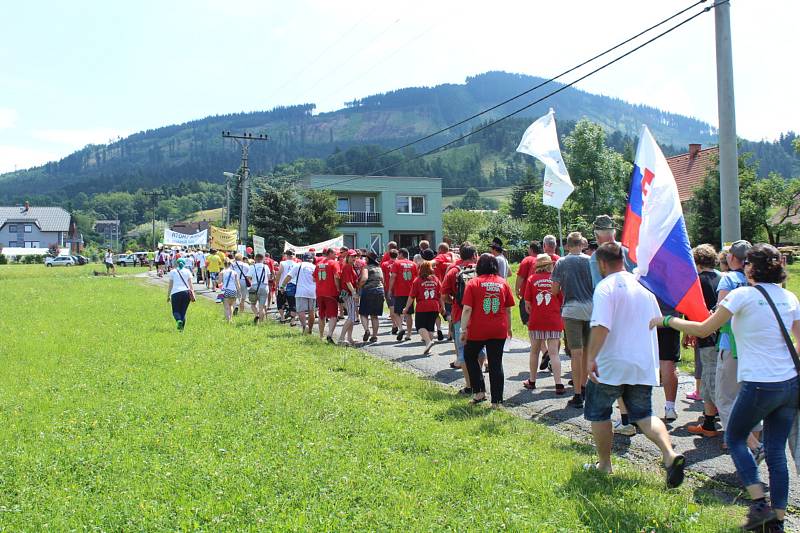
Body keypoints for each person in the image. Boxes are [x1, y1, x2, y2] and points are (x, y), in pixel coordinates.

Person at [650, 244, 798, 531]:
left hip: (760, 383)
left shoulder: (742, 295)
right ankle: (777, 521)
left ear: (750, 268)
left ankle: (758, 502)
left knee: (736, 436)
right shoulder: (789, 297)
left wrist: (666, 319)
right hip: (789, 384)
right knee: (777, 451)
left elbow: (704, 329)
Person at [585, 242, 686, 487]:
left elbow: (601, 326)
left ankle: (605, 465)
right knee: (644, 415)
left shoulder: (605, 288)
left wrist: (590, 358)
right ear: (624, 260)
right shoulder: (645, 290)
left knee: (599, 413)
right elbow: (656, 324)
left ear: (601, 263)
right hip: (640, 362)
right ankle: (669, 454)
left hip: (610, 363)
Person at [459, 253, 515, 407]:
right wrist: (509, 328)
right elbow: (508, 309)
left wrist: (463, 330)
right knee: (496, 363)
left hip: (478, 329)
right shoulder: (503, 283)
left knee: (469, 355)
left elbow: (467, 309)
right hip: (498, 329)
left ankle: (479, 392)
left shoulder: (473, 283)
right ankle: (497, 401)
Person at [551, 232, 593, 408]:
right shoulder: (591, 261)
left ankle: (577, 394)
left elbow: (554, 290)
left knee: (576, 353)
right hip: (591, 309)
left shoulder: (561, 262)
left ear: (567, 246)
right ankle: (584, 387)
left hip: (572, 309)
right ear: (581, 245)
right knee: (587, 353)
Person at [685, 244, 722, 437]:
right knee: (718, 375)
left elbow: (693, 310)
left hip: (706, 334)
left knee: (709, 377)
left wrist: (688, 332)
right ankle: (711, 415)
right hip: (723, 335)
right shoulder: (722, 278)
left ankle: (710, 423)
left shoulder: (697, 282)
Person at [442, 242, 481, 393]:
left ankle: (470, 386)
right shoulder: (480, 270)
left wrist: (455, 302)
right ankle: (479, 380)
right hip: (479, 316)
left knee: (463, 351)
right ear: (474, 255)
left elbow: (444, 295)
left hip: (459, 314)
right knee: (480, 351)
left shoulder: (453, 271)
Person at [523, 254, 564, 394]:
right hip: (553, 319)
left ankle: (532, 381)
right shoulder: (556, 279)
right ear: (550, 265)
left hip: (536, 319)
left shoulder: (531, 279)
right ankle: (558, 384)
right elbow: (561, 299)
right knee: (554, 354)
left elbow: (527, 304)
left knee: (534, 352)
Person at [403, 260, 442, 354]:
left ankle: (428, 342)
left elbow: (411, 296)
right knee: (430, 327)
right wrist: (443, 307)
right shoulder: (435, 279)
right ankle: (428, 346)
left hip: (422, 306)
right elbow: (440, 295)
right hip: (435, 306)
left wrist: (406, 307)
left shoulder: (417, 280)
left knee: (420, 326)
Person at [389, 248, 418, 342]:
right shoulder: (413, 264)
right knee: (409, 314)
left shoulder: (396, 263)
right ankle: (409, 334)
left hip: (400, 291)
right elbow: (417, 278)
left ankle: (401, 328)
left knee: (397, 313)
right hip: (410, 292)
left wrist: (390, 289)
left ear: (401, 254)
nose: (397, 255)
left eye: (398, 254)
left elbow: (393, 277)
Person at [284, 253, 317, 334]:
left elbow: (289, 276)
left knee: (300, 310)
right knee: (311, 311)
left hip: (301, 291)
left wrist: (282, 286)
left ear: (303, 258)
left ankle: (304, 326)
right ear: (312, 259)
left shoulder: (298, 265)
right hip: (312, 291)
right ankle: (310, 329)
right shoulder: (315, 267)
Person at [314, 247, 341, 343]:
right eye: (335, 254)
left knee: (321, 315)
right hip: (331, 292)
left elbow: (313, 278)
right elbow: (336, 277)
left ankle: (321, 336)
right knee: (333, 315)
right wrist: (338, 289)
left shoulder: (319, 264)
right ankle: (329, 335)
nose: (336, 255)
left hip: (319, 292)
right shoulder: (334, 263)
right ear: (330, 254)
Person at [358, 251, 385, 343]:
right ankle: (374, 336)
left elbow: (364, 278)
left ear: (368, 259)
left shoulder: (366, 267)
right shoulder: (378, 268)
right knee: (374, 316)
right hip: (379, 291)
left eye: (366, 257)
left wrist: (359, 286)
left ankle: (366, 330)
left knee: (363, 313)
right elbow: (382, 280)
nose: (365, 259)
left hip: (368, 291)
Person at [515, 241, 542, 327]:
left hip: (528, 296)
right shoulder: (544, 259)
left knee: (529, 322)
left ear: (531, 249)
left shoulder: (528, 259)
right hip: (542, 294)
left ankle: (534, 339)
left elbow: (520, 277)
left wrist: (517, 289)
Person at [337, 250, 360, 346]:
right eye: (351, 256)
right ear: (347, 257)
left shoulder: (350, 266)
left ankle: (349, 338)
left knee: (352, 316)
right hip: (349, 293)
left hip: (349, 293)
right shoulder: (347, 267)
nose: (354, 258)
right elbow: (347, 282)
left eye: (355, 256)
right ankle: (341, 338)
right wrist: (354, 293)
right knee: (351, 317)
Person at [166, 258, 195, 331]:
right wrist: (193, 294)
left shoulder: (173, 272)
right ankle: (181, 330)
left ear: (176, 263)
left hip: (175, 293)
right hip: (186, 293)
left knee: (175, 311)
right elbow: (191, 284)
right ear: (184, 264)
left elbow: (170, 285)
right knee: (183, 312)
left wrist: (168, 295)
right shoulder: (187, 271)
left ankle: (178, 321)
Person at [247, 253, 270, 324]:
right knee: (262, 306)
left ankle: (257, 314)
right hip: (264, 286)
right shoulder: (266, 267)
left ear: (255, 258)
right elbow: (268, 277)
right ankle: (261, 323)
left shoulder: (252, 267)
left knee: (253, 304)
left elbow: (248, 277)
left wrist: (252, 282)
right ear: (263, 259)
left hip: (254, 287)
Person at [381, 249, 400, 334]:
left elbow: (383, 277)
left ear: (389, 255)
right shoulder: (400, 263)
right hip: (400, 288)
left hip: (388, 288)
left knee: (391, 308)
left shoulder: (384, 264)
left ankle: (394, 324)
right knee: (399, 307)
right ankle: (397, 324)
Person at [276, 250, 298, 324]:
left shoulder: (283, 263)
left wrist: (277, 283)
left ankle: (282, 318)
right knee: (292, 303)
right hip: (292, 285)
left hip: (283, 285)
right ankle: (292, 320)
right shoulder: (296, 264)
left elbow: (279, 273)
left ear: (286, 255)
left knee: (280, 302)